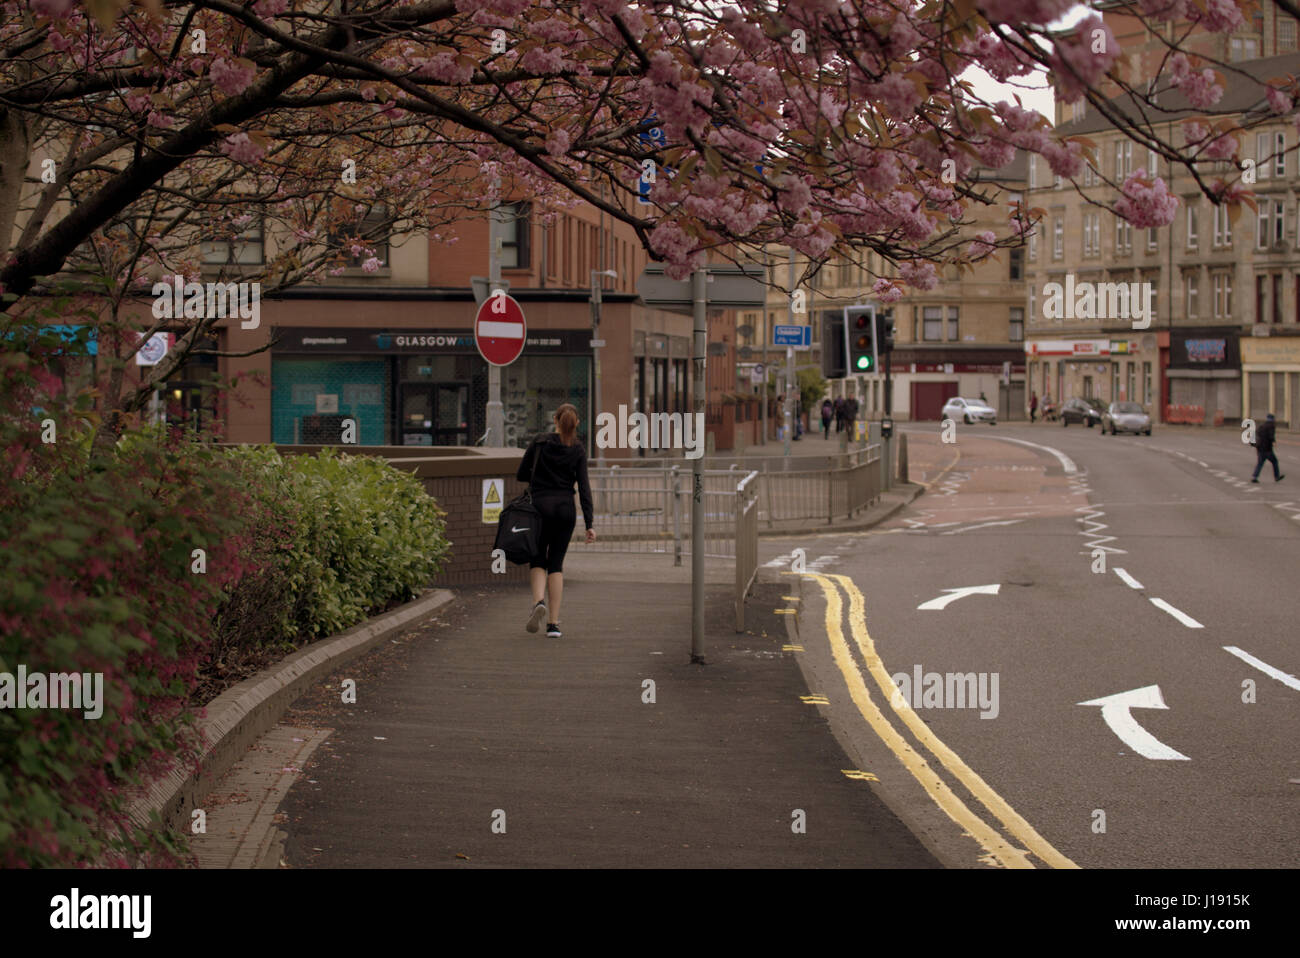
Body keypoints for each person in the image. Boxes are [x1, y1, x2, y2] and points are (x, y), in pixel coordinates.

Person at [517, 403, 595, 637]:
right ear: (577, 423)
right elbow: (584, 487)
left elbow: (521, 474)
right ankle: (553, 624)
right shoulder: (579, 450)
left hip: (539, 507)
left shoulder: (540, 442)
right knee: (556, 563)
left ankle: (538, 601)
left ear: (555, 420)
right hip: (565, 509)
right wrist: (589, 524)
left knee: (538, 557)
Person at [1250, 413, 1285, 483]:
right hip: (1267, 449)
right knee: (1275, 462)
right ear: (1273, 419)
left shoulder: (1262, 426)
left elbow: (1256, 434)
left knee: (1260, 463)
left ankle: (1254, 477)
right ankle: (1277, 476)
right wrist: (1273, 441)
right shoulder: (1271, 426)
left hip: (1260, 448)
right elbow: (1271, 435)